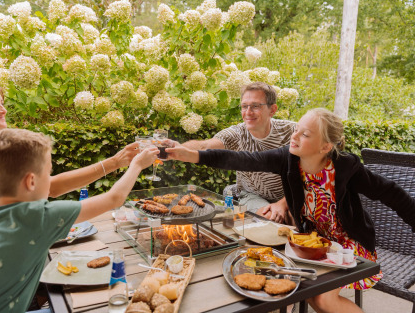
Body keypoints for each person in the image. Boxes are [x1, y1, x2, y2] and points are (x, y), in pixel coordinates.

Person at [167, 108, 415, 312]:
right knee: (294, 286)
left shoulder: (345, 168)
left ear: (325, 147)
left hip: (349, 244)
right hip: (310, 242)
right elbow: (241, 159)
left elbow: (392, 193)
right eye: (296, 130)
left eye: (305, 134)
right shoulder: (287, 158)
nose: (294, 137)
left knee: (322, 299)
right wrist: (193, 155)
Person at [0, 128, 158, 312]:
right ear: (31, 181)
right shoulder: (39, 216)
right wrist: (137, 165)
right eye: (48, 173)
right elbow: (114, 198)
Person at [0, 76, 139, 255]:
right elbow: (48, 188)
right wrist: (115, 162)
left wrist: (116, 162)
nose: (3, 109)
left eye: (2, 102)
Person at [182, 82, 295, 223]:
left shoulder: (292, 132)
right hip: (251, 195)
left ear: (272, 110)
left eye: (255, 106)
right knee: (271, 217)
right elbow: (205, 146)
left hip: (288, 195)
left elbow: (309, 176)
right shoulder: (237, 133)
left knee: (295, 218)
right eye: (244, 106)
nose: (248, 112)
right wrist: (176, 149)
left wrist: (283, 203)